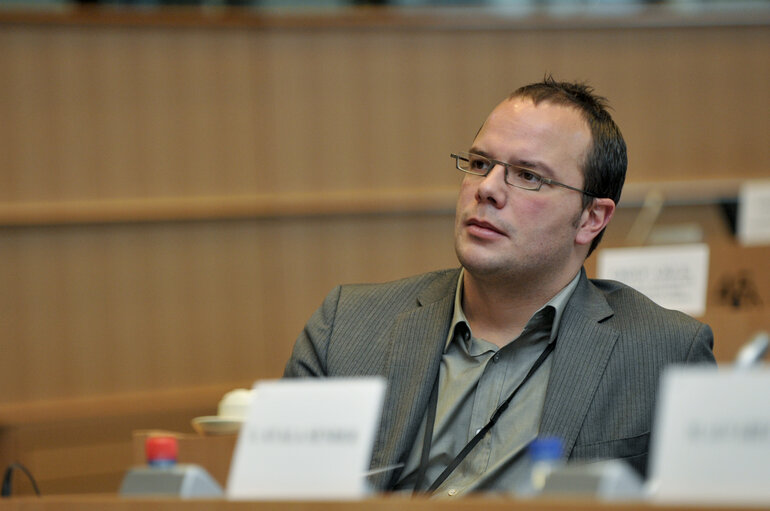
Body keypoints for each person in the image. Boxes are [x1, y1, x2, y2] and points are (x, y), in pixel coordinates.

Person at [283, 77, 715, 496]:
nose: (487, 189)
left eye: (528, 175)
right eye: (480, 164)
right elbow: (278, 494)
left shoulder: (665, 354)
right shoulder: (346, 329)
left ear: (591, 218)